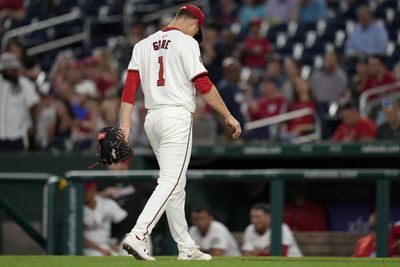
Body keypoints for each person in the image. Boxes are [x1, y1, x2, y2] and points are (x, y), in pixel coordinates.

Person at [119, 4, 241, 261]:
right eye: (197, 30)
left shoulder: (142, 44)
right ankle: (139, 234)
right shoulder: (187, 42)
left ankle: (185, 246)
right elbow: (203, 84)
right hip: (175, 116)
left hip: (152, 119)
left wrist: (125, 126)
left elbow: (130, 89)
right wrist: (228, 114)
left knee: (176, 184)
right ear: (194, 24)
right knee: (171, 181)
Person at [0, 52, 39, 151]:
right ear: (4, 70)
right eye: (11, 69)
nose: (14, 71)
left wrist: (34, 125)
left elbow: (33, 105)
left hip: (18, 135)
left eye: (15, 68)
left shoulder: (24, 83)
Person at [83, 182, 128, 256]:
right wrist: (100, 249)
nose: (84, 194)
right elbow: (79, 239)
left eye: (86, 191)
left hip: (106, 245)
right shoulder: (77, 208)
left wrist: (116, 242)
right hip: (89, 248)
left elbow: (123, 219)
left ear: (93, 190)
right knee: (97, 256)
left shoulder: (106, 203)